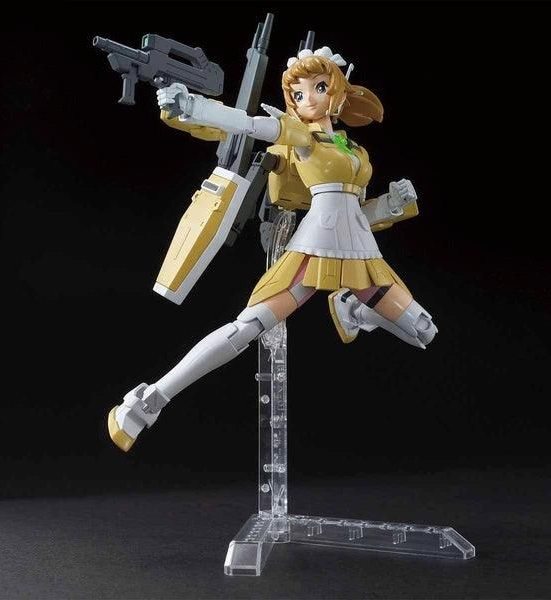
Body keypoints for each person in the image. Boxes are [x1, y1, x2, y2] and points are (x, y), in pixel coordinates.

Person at [108, 46, 438, 452]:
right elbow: (248, 124)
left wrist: (391, 204)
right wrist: (193, 106)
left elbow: (355, 216)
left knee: (423, 331)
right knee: (246, 328)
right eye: (298, 94)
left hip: (362, 259)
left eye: (319, 87)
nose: (307, 99)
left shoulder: (356, 151)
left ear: (338, 90)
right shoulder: (303, 137)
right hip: (312, 253)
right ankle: (148, 401)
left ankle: (354, 307)